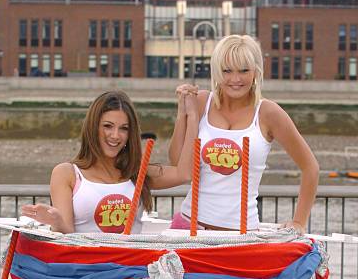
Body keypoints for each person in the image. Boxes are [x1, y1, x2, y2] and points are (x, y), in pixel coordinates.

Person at [169, 34, 319, 233]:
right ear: (216, 71)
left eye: (244, 70)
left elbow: (311, 167)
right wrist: (183, 113)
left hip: (240, 235)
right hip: (188, 228)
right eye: (227, 70)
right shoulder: (201, 102)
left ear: (256, 72)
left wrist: (299, 222)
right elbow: (176, 162)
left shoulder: (269, 113)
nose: (235, 79)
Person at [21, 90, 198, 234]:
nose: (115, 135)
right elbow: (67, 234)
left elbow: (184, 173)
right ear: (93, 127)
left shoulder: (139, 172)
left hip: (131, 269)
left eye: (124, 129)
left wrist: (186, 115)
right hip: (87, 270)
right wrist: (56, 221)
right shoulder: (67, 173)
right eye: (107, 126)